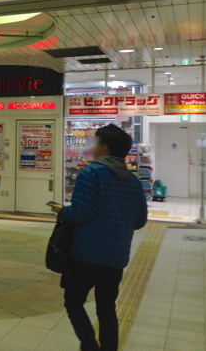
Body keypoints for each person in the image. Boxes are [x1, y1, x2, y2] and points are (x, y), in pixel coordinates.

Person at [51, 124, 147, 351]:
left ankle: (89, 346)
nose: (92, 146)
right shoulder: (133, 180)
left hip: (87, 255)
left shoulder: (91, 173)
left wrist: (62, 211)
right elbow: (139, 221)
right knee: (106, 309)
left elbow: (81, 214)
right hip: (116, 259)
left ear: (105, 147)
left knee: (73, 302)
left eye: (95, 142)